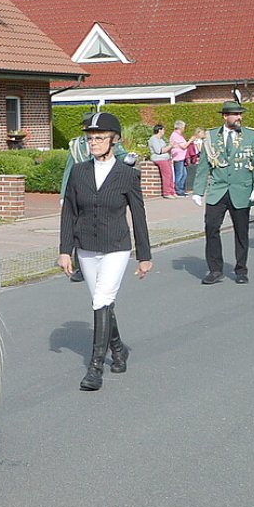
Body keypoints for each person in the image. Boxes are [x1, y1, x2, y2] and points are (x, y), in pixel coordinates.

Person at [57, 112, 152, 391]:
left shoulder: (127, 174)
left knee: (101, 299)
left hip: (116, 246)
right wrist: (65, 251)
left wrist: (144, 256)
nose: (93, 142)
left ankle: (95, 367)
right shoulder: (78, 171)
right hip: (86, 246)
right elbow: (68, 213)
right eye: (90, 138)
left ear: (114, 140)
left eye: (99, 138)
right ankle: (119, 349)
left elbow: (139, 215)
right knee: (103, 303)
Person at [192, 100, 254, 285]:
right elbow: (203, 166)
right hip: (218, 189)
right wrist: (198, 191)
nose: (239, 117)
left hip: (241, 189)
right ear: (225, 116)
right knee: (211, 228)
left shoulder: (251, 135)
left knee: (241, 231)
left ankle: (241, 269)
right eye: (235, 114)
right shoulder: (210, 137)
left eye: (240, 114)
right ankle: (215, 270)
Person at [59, 114, 135, 282]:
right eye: (89, 129)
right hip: (81, 191)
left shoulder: (109, 141)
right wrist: (64, 195)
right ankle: (80, 265)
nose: (93, 138)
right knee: (80, 227)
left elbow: (121, 155)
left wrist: (129, 160)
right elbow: (69, 170)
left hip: (104, 188)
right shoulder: (76, 145)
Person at [147, 124, 175, 197]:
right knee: (167, 174)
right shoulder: (153, 139)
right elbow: (159, 151)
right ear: (159, 130)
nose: (164, 131)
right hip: (159, 158)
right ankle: (166, 193)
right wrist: (170, 146)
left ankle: (172, 191)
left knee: (171, 175)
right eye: (163, 130)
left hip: (166, 158)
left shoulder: (161, 139)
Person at [168, 120, 190, 194]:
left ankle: (181, 189)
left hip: (181, 157)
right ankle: (178, 190)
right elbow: (184, 146)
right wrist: (191, 140)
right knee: (179, 174)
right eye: (183, 127)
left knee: (184, 174)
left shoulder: (179, 136)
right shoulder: (175, 135)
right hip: (178, 157)